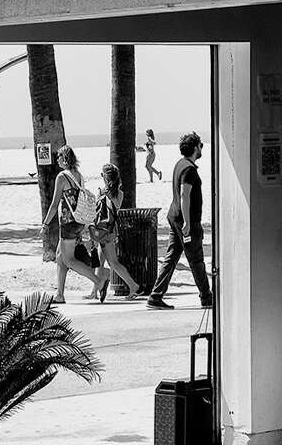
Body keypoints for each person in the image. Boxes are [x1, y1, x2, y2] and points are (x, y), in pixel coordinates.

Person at [147, 130, 213, 310]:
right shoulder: (189, 170)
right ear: (195, 148)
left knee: (171, 257)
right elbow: (185, 194)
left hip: (174, 216)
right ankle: (206, 297)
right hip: (185, 221)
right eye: (200, 145)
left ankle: (155, 296)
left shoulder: (180, 164)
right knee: (196, 258)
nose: (201, 148)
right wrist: (188, 222)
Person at [39, 144, 98, 302]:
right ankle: (60, 295)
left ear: (64, 158)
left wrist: (45, 224)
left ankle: (99, 280)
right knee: (60, 256)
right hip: (79, 221)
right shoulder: (78, 175)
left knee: (68, 259)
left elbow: (54, 204)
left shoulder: (62, 177)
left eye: (59, 157)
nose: (57, 160)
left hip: (68, 223)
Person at [88, 163, 141, 302]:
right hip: (111, 230)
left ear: (105, 177)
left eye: (102, 175)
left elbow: (96, 210)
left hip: (103, 232)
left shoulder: (102, 192)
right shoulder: (119, 194)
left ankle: (133, 285)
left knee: (113, 262)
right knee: (100, 262)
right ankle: (94, 291)